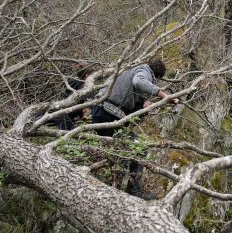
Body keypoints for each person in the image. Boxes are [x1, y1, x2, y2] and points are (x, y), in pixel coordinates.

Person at [91, 59, 177, 198]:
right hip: (107, 114)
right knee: (137, 148)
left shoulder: (130, 71)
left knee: (120, 149)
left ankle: (115, 188)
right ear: (157, 77)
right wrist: (164, 95)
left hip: (103, 112)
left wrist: (144, 108)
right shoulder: (144, 71)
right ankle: (130, 191)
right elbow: (139, 81)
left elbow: (131, 116)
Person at [53, 63, 95, 130]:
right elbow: (88, 109)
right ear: (87, 75)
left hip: (61, 113)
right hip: (70, 117)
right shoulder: (86, 87)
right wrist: (85, 120)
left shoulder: (69, 82)